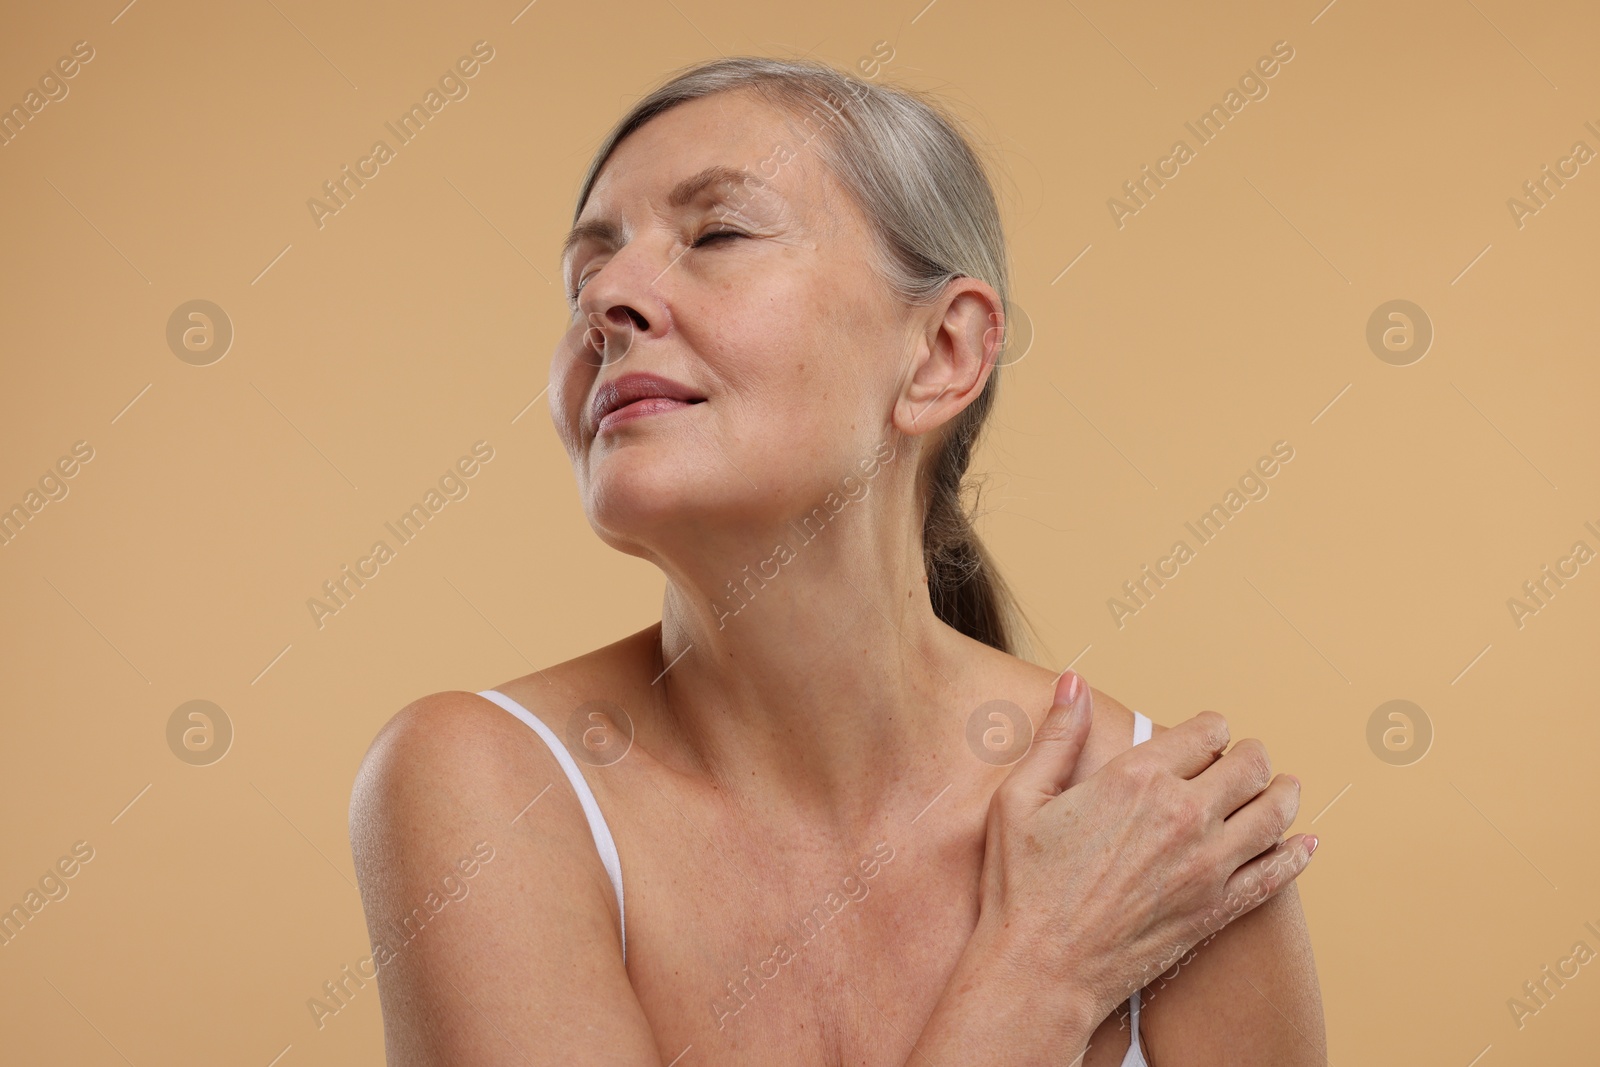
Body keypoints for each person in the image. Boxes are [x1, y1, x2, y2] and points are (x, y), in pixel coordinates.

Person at [349, 55, 1325, 1065]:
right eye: (583, 274)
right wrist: (1042, 969)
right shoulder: (486, 782)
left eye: (716, 233)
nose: (608, 301)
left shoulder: (1166, 827)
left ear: (942, 352)